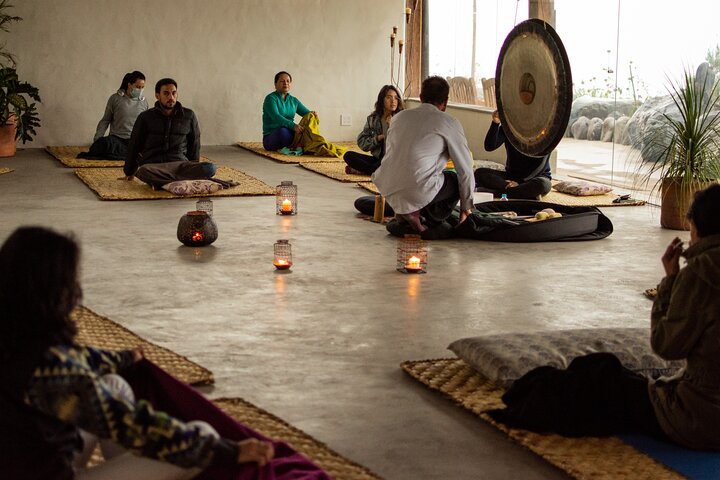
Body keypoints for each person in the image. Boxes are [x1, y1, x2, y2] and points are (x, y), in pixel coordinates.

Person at [0, 226, 275, 479]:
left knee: (114, 384)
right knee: (203, 436)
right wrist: (229, 450)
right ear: (52, 292)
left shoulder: (18, 337)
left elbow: (78, 362)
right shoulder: (50, 367)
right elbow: (135, 427)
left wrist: (123, 358)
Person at [489, 183, 720, 450]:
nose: (690, 239)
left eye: (690, 231)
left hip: (697, 420)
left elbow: (665, 346)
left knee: (601, 373)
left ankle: (520, 394)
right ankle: (525, 392)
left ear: (700, 229)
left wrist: (670, 281)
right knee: (606, 372)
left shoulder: (702, 272)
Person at [371, 76, 475, 233]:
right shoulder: (449, 122)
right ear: (445, 102)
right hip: (417, 189)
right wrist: (466, 208)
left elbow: (391, 155)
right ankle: (429, 219)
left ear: (421, 98)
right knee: (454, 178)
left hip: (388, 187)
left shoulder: (399, 117)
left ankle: (404, 215)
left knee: (415, 176)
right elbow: (465, 170)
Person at [122, 78, 216, 189]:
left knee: (210, 168)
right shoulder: (145, 117)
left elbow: (194, 144)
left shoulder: (189, 116)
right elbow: (134, 145)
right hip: (154, 166)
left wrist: (193, 166)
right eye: (166, 93)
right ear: (157, 96)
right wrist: (129, 171)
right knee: (142, 171)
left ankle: (164, 183)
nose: (171, 97)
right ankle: (179, 181)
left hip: (179, 165)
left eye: (174, 93)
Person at [474, 110, 552, 199]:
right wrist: (495, 123)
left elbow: (540, 166)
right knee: (479, 173)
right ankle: (521, 193)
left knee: (542, 185)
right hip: (510, 176)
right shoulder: (509, 128)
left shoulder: (543, 132)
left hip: (535, 178)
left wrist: (520, 182)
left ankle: (496, 193)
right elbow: (489, 146)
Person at [77, 71, 149, 160]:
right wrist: (97, 139)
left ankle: (123, 154)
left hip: (134, 141)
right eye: (138, 87)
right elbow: (105, 120)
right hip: (117, 140)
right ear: (129, 84)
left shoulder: (144, 102)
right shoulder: (115, 99)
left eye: (142, 87)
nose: (140, 90)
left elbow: (146, 125)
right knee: (105, 144)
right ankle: (124, 154)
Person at [343, 85, 404, 175]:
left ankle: (365, 171)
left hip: (395, 159)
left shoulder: (402, 118)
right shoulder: (373, 119)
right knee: (348, 155)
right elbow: (362, 142)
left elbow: (403, 144)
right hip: (379, 159)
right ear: (381, 100)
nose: (393, 101)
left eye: (396, 98)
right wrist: (377, 138)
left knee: (384, 165)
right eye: (389, 97)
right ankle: (377, 171)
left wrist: (391, 127)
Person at [262, 71, 314, 152]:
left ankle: (294, 146)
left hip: (290, 132)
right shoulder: (270, 98)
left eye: (288, 81)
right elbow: (276, 117)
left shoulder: (294, 100)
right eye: (282, 81)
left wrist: (312, 114)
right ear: (275, 84)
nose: (285, 83)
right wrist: (294, 126)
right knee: (283, 131)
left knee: (305, 131)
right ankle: (295, 146)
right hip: (272, 136)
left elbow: (306, 113)